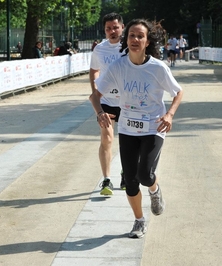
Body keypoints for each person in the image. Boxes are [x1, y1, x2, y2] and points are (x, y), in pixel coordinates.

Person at [89, 18, 183, 238]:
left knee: (145, 175)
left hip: (153, 126)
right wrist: (100, 113)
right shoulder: (118, 66)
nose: (135, 39)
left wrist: (169, 114)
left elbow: (178, 92)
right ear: (126, 38)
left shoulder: (158, 68)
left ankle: (154, 189)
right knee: (130, 180)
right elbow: (95, 95)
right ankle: (139, 221)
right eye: (131, 35)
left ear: (147, 41)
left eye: (140, 36)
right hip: (129, 128)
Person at [89, 13, 126, 195]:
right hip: (107, 102)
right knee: (107, 139)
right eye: (108, 29)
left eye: (115, 27)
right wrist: (96, 90)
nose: (112, 31)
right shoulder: (100, 49)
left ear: (122, 27)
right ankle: (107, 180)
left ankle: (126, 173)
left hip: (128, 102)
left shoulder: (130, 46)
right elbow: (94, 70)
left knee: (129, 142)